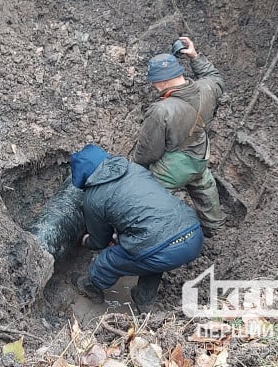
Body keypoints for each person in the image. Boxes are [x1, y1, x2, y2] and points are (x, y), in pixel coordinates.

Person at [69, 144, 204, 313]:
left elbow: (100, 240)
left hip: (162, 246)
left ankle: (91, 287)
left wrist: (87, 240)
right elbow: (143, 211)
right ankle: (144, 298)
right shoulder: (134, 169)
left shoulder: (93, 198)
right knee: (152, 258)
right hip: (193, 232)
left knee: (107, 261)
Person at [132, 36, 226, 238]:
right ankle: (216, 230)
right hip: (201, 156)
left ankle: (153, 233)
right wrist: (194, 56)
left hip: (174, 168)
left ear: (163, 81)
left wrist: (136, 170)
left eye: (154, 82)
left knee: (149, 195)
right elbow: (215, 76)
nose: (153, 86)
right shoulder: (207, 88)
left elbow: (149, 152)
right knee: (204, 186)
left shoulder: (161, 110)